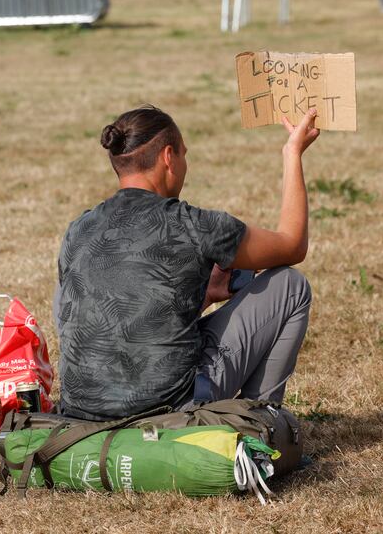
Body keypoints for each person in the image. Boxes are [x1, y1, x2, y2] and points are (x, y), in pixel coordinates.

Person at [53, 104, 318, 421]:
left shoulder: (78, 229)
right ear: (168, 157)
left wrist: (203, 296)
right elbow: (292, 244)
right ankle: (261, 423)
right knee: (290, 286)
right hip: (169, 412)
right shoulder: (192, 225)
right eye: (184, 155)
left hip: (83, 415)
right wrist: (293, 153)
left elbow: (123, 319)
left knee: (71, 287)